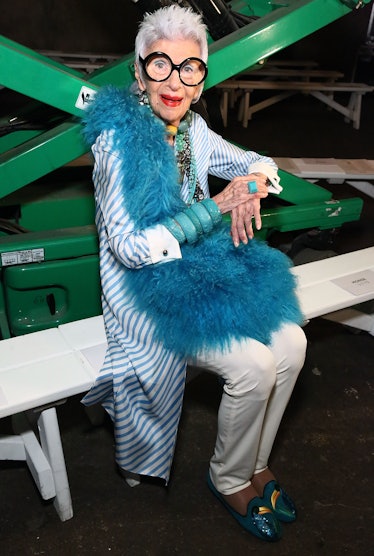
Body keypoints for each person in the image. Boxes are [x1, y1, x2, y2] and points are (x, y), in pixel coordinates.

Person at [82, 4, 307, 542]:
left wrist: (251, 182)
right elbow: (129, 248)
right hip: (144, 291)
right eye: (160, 65)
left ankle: (254, 464)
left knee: (293, 344)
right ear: (139, 71)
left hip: (202, 269)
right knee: (253, 365)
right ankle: (227, 477)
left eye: (190, 69)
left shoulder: (192, 131)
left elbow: (251, 161)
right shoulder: (117, 143)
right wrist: (215, 208)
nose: (174, 81)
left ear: (202, 79)